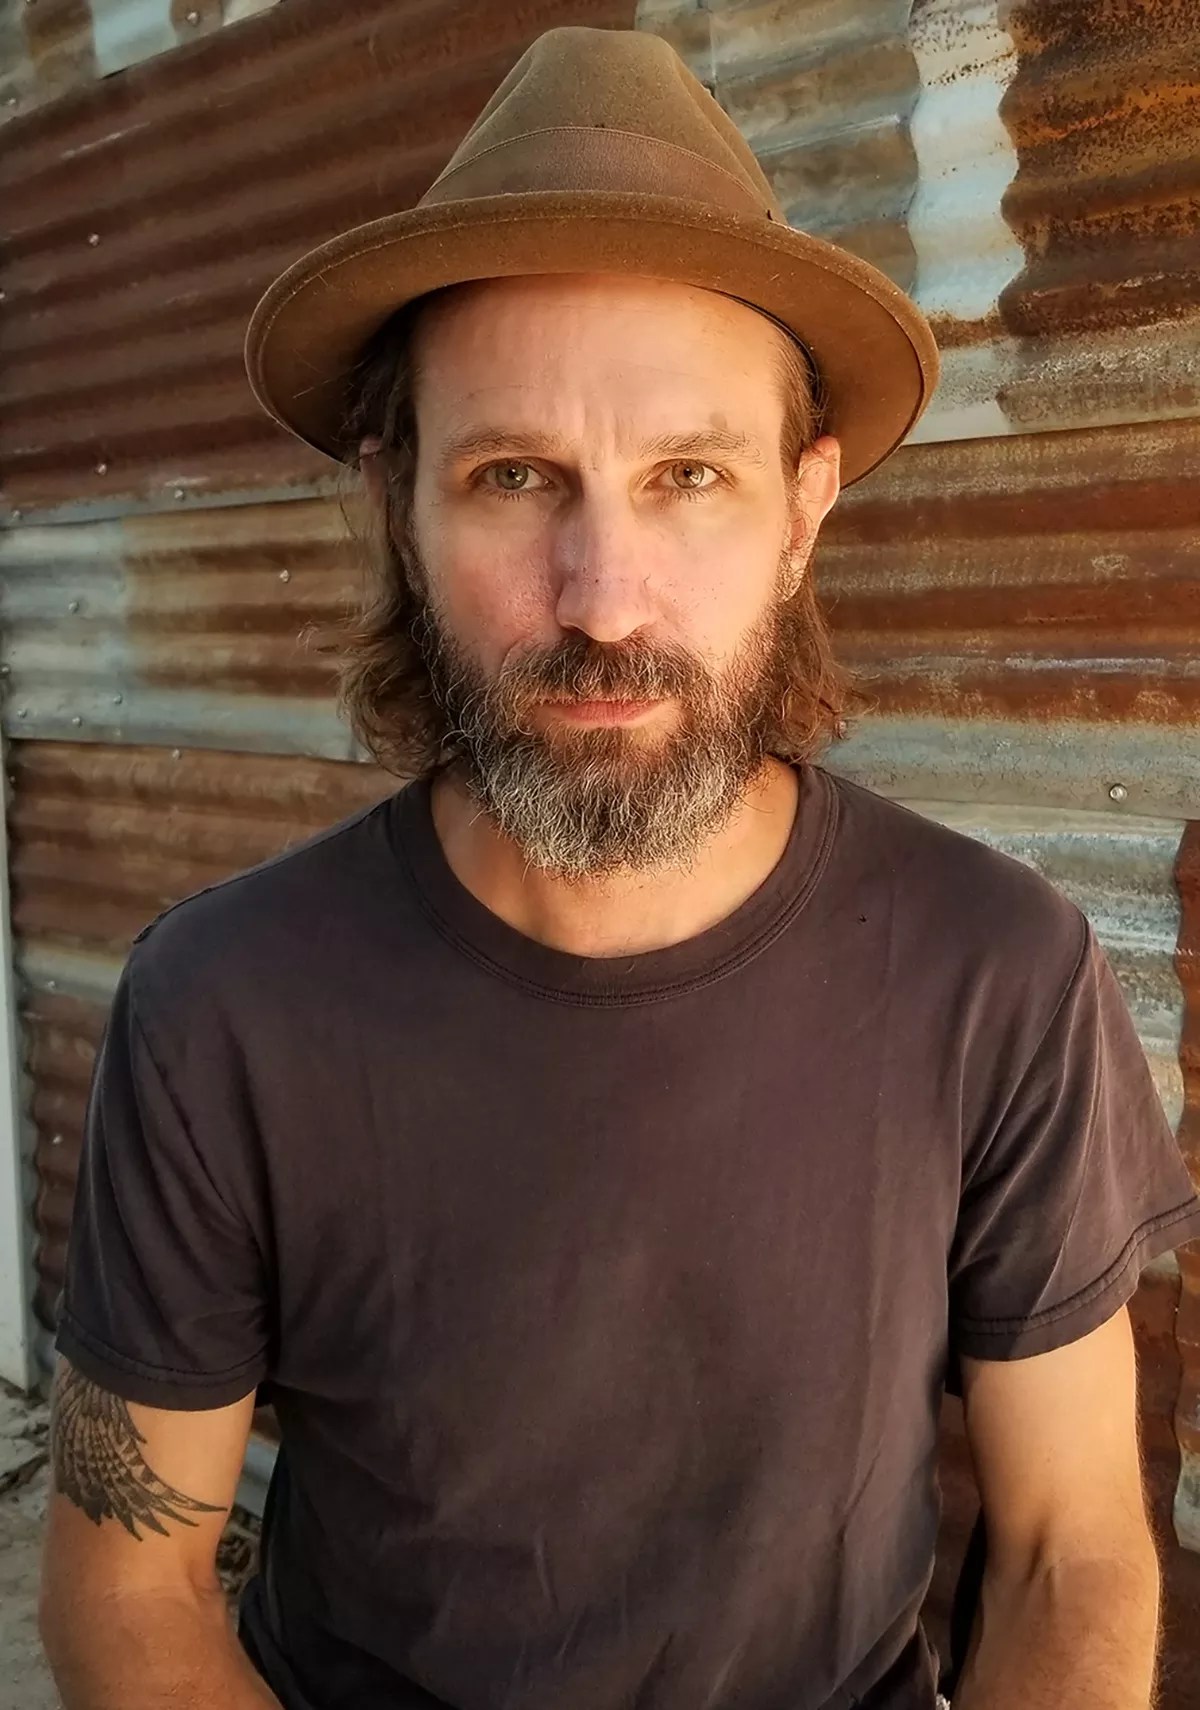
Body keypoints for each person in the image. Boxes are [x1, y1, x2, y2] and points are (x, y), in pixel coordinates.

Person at [38, 25, 1200, 1710]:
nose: (601, 597)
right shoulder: (220, 1009)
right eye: (516, 476)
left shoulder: (998, 978)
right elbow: (129, 1588)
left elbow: (1068, 1551)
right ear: (398, 505)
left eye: (689, 477)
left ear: (802, 508)